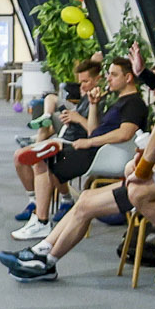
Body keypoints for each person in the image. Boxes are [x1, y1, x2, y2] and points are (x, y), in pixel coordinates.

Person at [0, 16, 155, 282]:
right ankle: (43, 253)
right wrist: (142, 73)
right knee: (84, 200)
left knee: (97, 202)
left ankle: (45, 258)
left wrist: (141, 168)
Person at [12, 58, 147, 241]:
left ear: (128, 77)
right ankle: (41, 217)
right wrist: (93, 105)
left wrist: (89, 142)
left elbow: (125, 133)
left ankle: (42, 221)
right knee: (43, 159)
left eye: (114, 75)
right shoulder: (119, 101)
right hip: (93, 150)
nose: (108, 79)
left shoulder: (134, 103)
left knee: (43, 160)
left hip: (98, 154)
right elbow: (93, 130)